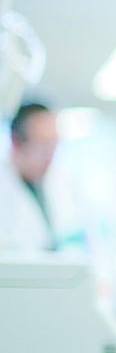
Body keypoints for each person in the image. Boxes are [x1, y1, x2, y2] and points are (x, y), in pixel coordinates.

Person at [0, 102, 61, 252]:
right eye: (43, 147)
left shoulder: (60, 184)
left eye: (54, 146)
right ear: (16, 142)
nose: (49, 157)